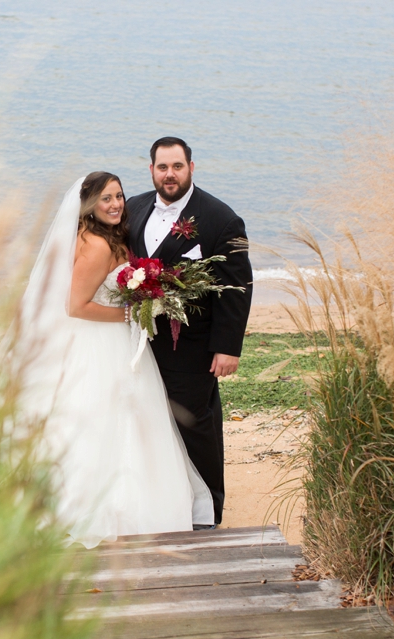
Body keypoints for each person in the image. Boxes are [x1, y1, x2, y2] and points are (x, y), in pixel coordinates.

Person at [10, 171, 213, 549]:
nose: (117, 204)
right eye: (106, 198)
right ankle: (108, 509)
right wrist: (131, 314)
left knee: (123, 418)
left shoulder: (104, 238)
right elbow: (75, 306)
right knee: (111, 419)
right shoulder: (98, 246)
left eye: (119, 196)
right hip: (102, 343)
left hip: (114, 340)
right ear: (89, 205)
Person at [126, 137, 253, 528]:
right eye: (162, 167)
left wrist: (227, 348)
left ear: (191, 168)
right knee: (146, 421)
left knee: (194, 424)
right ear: (151, 170)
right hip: (138, 344)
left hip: (193, 349)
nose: (170, 175)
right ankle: (162, 503)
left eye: (177, 167)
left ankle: (207, 512)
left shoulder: (222, 219)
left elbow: (237, 288)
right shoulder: (132, 208)